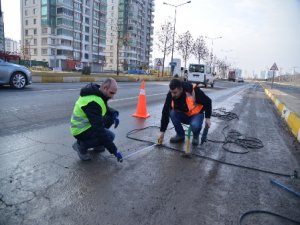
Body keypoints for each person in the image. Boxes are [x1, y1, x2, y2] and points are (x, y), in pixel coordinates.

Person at [70, 78, 123, 162]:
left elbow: (103, 108)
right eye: (111, 93)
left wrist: (114, 114)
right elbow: (99, 131)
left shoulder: (98, 92)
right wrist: (114, 151)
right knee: (110, 136)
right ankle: (80, 146)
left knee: (109, 119)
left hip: (87, 124)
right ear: (105, 88)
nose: (112, 97)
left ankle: (97, 144)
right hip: (80, 130)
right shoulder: (92, 102)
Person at [157, 78, 212, 146]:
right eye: (171, 92)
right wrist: (162, 131)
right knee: (172, 113)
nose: (172, 95)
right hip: (184, 115)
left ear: (181, 89)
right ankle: (180, 135)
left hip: (196, 115)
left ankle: (195, 136)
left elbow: (208, 101)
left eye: (175, 92)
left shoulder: (193, 91)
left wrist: (208, 118)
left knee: (195, 125)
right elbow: (165, 111)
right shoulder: (171, 95)